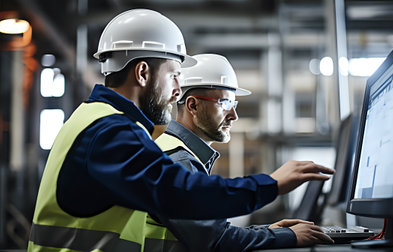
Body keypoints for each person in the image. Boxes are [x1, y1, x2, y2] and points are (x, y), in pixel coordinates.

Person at [27, 9, 334, 252]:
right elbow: (181, 193)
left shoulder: (95, 119)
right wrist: (270, 185)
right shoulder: (110, 131)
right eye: (174, 75)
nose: (177, 90)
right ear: (143, 72)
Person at [147, 54, 334, 251]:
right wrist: (287, 236)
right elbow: (216, 241)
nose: (234, 115)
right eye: (225, 104)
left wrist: (270, 231)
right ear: (193, 105)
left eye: (234, 105)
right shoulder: (179, 159)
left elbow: (209, 230)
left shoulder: (176, 151)